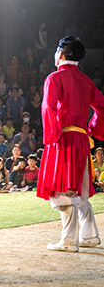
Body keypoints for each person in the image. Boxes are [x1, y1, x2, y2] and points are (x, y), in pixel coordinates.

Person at [37, 36, 104, 252]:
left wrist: (51, 136)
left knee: (61, 189)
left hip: (63, 137)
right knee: (78, 188)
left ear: (61, 53)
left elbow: (48, 108)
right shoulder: (86, 80)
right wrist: (92, 129)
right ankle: (90, 236)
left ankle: (68, 240)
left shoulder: (55, 77)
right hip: (82, 139)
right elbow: (102, 108)